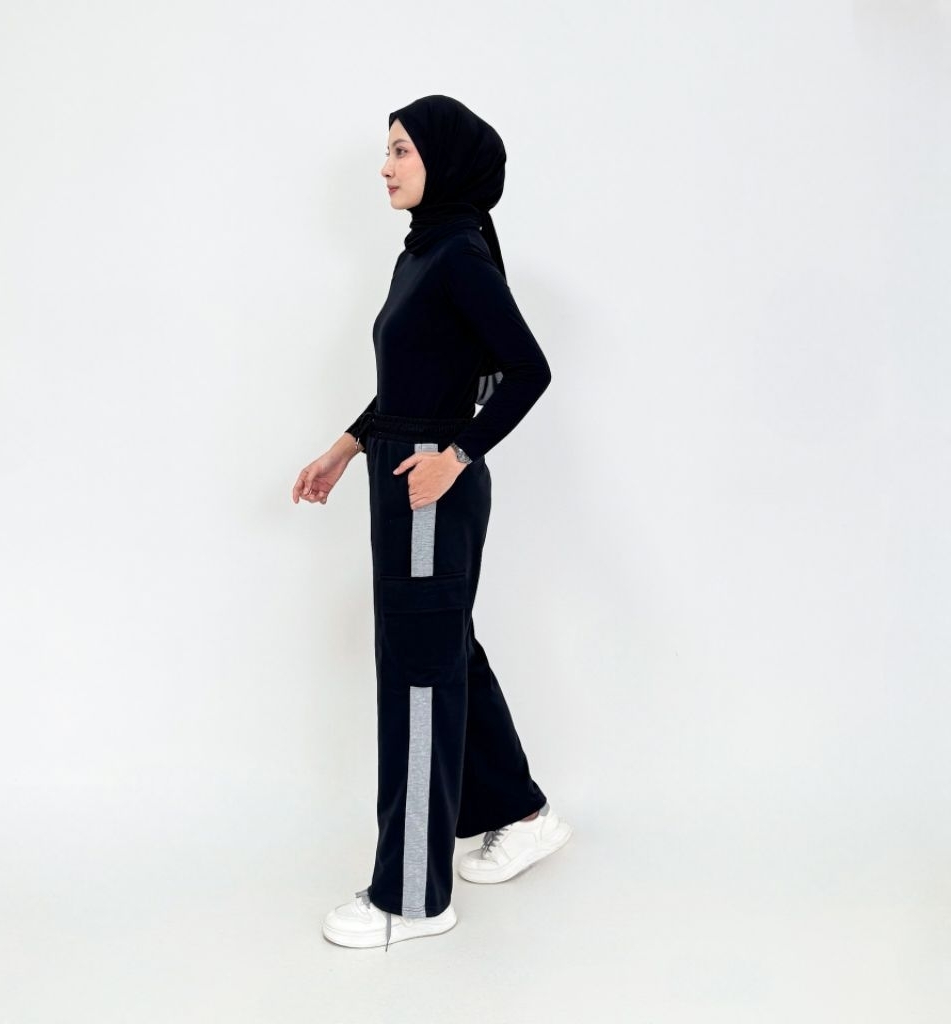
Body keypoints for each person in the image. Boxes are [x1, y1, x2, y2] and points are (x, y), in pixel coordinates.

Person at [291, 95, 573, 951]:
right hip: (400, 474)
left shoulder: (457, 255)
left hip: (427, 491)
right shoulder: (422, 252)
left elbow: (529, 370)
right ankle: (521, 813)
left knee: (419, 674)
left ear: (443, 162)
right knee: (442, 648)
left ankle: (412, 898)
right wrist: (347, 446)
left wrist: (458, 454)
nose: (385, 167)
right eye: (387, 151)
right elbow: (412, 382)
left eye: (401, 151)